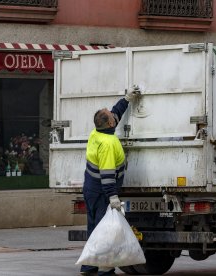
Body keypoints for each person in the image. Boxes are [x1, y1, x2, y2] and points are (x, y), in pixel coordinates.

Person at [80, 87, 141, 276]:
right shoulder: (108, 144)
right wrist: (113, 197)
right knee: (104, 231)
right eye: (110, 115)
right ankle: (105, 270)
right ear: (110, 123)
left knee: (94, 228)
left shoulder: (97, 134)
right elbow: (107, 175)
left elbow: (115, 113)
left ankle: (89, 266)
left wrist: (126, 99)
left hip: (91, 189)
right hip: (101, 191)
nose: (113, 114)